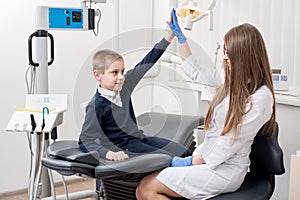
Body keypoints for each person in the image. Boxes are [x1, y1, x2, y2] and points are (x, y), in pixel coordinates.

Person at [136, 8, 277, 200]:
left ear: (245, 55)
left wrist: (193, 161)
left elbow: (229, 143)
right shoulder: (232, 79)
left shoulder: (261, 97)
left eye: (229, 53)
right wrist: (181, 39)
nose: (225, 58)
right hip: (208, 161)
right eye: (225, 52)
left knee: (147, 189)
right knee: (143, 185)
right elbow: (198, 73)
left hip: (225, 170)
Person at [78, 27, 191, 162]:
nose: (121, 77)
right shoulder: (96, 106)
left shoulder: (125, 85)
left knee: (184, 151)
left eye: (122, 71)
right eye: (115, 72)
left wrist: (169, 36)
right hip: (123, 147)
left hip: (138, 139)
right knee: (169, 158)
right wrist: (108, 153)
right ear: (98, 75)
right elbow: (84, 140)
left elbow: (148, 61)